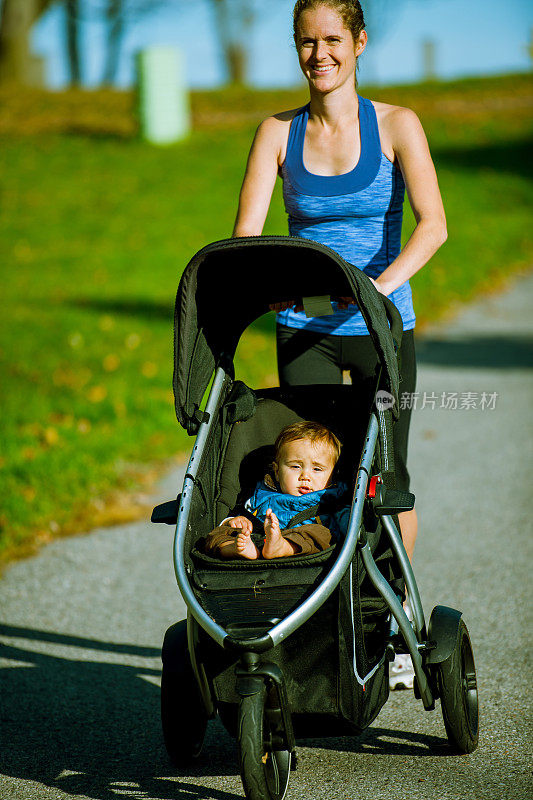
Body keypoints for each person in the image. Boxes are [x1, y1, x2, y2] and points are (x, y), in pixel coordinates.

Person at [232, 0, 447, 686]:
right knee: (311, 478)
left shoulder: (397, 125)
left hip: (383, 330)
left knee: (387, 483)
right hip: (306, 336)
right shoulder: (275, 133)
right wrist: (262, 283)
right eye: (305, 41)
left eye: (331, 39)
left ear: (358, 42)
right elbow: (247, 239)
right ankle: (315, 620)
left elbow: (432, 226)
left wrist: (377, 289)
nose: (318, 53)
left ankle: (396, 623)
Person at [204, 421, 349, 560]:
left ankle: (282, 546)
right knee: (217, 533)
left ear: (331, 476)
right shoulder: (262, 493)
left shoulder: (333, 499)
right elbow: (242, 512)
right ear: (277, 471)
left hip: (300, 540)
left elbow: (348, 525)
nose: (305, 476)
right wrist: (235, 521)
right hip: (257, 538)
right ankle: (235, 549)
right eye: (295, 467)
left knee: (322, 534)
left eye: (317, 469)